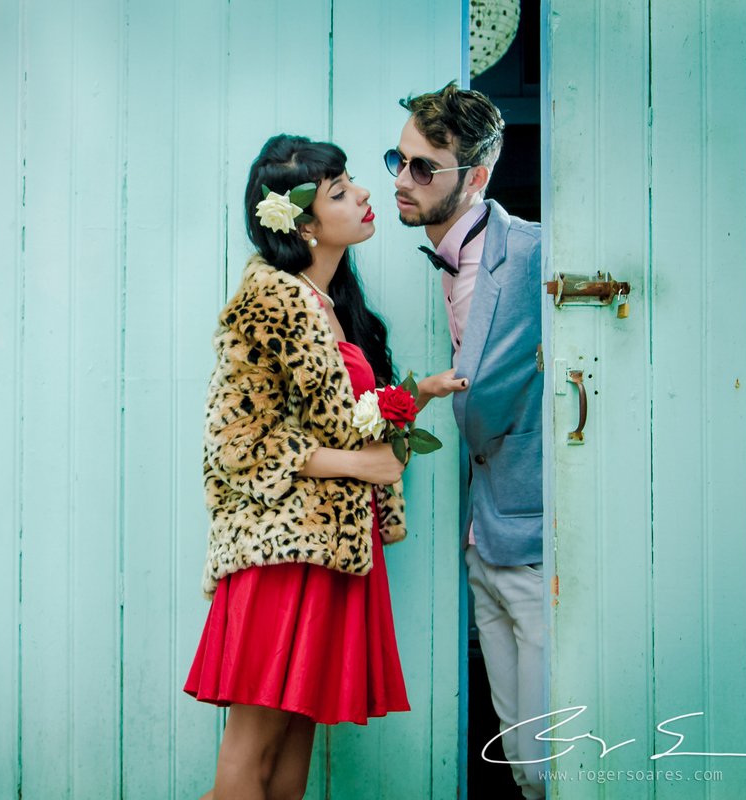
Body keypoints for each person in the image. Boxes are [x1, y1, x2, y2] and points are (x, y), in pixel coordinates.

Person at [183, 134, 412, 800]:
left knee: (287, 764)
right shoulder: (269, 304)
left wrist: (413, 400)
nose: (365, 193)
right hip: (280, 554)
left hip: (333, 551)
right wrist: (361, 466)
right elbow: (235, 440)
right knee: (248, 761)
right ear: (302, 223)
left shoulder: (332, 308)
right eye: (341, 191)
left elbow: (341, 420)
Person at [393, 83, 545, 799]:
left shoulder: (535, 256)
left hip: (539, 543)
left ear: (475, 178)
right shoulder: (455, 261)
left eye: (424, 167)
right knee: (519, 759)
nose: (401, 179)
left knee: (551, 763)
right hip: (483, 538)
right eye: (399, 159)